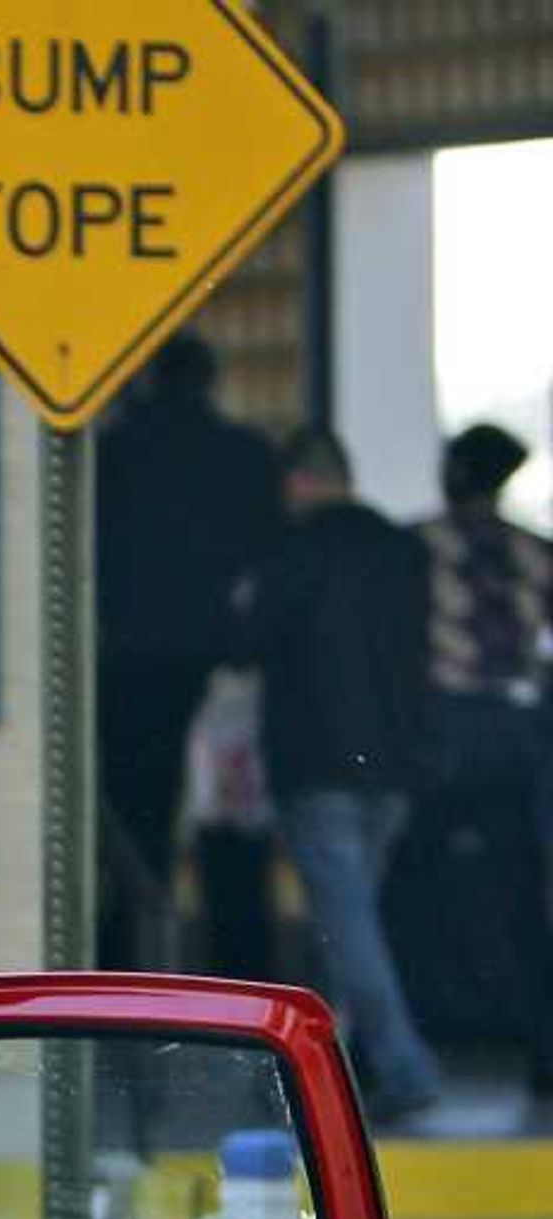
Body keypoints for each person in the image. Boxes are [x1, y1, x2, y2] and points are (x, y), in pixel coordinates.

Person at [243, 429, 444, 1122]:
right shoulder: (405, 550)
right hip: (393, 766)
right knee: (349, 925)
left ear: (298, 482)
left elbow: (249, 640)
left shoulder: (295, 550)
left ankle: (404, 1066)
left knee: (348, 924)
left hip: (317, 763)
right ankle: (331, 1074)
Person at [96, 334, 282, 971]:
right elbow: (268, 568)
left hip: (127, 668)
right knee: (230, 829)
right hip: (221, 671)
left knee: (137, 831)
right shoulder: (249, 457)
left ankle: (127, 969)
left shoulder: (112, 454)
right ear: (211, 381)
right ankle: (242, 977)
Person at [416, 422, 553, 1100]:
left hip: (440, 729)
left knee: (410, 885)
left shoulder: (419, 547)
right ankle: (542, 1050)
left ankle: (416, 1042)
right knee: (524, 894)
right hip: (516, 731)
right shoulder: (536, 552)